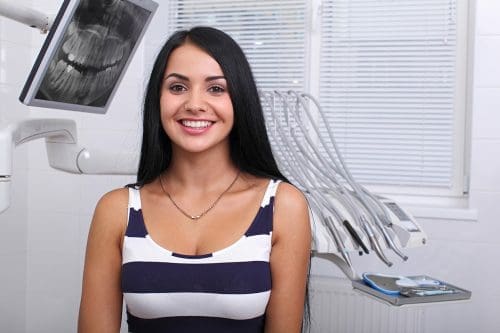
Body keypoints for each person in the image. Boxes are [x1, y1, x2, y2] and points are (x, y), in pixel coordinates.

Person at [78, 26, 311, 333]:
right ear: (157, 99)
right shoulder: (116, 210)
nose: (194, 104)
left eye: (216, 88)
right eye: (177, 88)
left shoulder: (283, 206)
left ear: (239, 100)